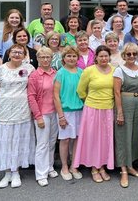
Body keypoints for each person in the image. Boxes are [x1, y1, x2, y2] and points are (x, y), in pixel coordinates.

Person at [0, 44, 35, 188]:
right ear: (9, 53)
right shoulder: (2, 68)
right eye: (14, 52)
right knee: (5, 140)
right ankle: (7, 172)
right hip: (3, 110)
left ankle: (16, 172)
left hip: (22, 110)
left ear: (25, 55)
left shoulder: (29, 69)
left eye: (20, 52)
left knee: (17, 140)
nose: (17, 54)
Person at [74, 45, 115, 183]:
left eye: (106, 56)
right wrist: (90, 102)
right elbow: (80, 91)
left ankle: (102, 166)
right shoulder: (89, 71)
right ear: (96, 57)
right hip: (92, 110)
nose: (104, 58)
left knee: (105, 140)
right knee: (93, 139)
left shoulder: (114, 70)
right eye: (101, 56)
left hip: (108, 109)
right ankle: (94, 168)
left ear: (109, 57)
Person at [113, 43, 138, 188]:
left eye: (134, 54)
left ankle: (131, 164)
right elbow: (116, 93)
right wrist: (119, 112)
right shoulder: (119, 70)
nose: (131, 56)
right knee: (123, 135)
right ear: (124, 55)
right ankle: (123, 169)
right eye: (129, 54)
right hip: (125, 104)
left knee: (134, 135)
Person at [27, 47, 58, 187]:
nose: (45, 60)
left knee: (52, 142)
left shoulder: (55, 73)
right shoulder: (34, 75)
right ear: (38, 59)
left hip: (55, 113)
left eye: (48, 57)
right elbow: (31, 97)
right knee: (42, 144)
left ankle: (50, 166)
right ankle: (40, 173)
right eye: (42, 57)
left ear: (52, 58)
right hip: (42, 114)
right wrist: (38, 116)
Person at [53, 46, 84, 181]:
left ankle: (74, 165)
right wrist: (60, 116)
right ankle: (64, 166)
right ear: (64, 58)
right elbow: (55, 96)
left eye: (74, 56)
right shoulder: (60, 73)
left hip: (80, 110)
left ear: (78, 58)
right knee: (65, 139)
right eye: (68, 56)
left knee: (77, 138)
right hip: (65, 111)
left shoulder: (81, 72)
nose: (71, 58)